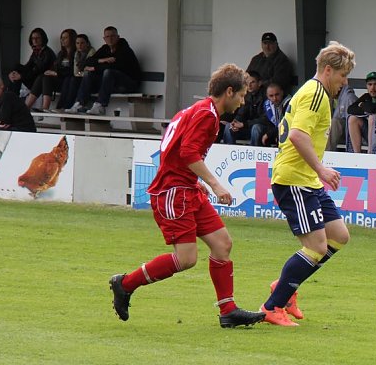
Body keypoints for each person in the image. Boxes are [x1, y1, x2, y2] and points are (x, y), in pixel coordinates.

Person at [108, 63, 264, 329]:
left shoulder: (199, 110)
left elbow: (173, 148)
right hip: (174, 193)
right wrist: (215, 184)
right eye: (241, 95)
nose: (242, 101)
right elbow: (188, 152)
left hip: (186, 188)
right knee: (186, 259)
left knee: (222, 243)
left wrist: (193, 180)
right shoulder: (207, 115)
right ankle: (125, 284)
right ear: (229, 91)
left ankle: (228, 311)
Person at [259, 41, 355, 327]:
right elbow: (297, 136)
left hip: (307, 180)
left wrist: (317, 173)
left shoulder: (316, 93)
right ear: (328, 70)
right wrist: (321, 169)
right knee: (315, 246)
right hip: (294, 180)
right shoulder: (315, 94)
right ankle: (272, 307)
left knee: (339, 236)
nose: (345, 82)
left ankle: (286, 288)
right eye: (343, 75)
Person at [66, 26, 141, 115]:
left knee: (108, 72)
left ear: (118, 37)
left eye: (113, 36)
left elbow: (115, 66)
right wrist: (102, 60)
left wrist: (95, 68)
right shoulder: (105, 48)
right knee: (88, 74)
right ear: (104, 39)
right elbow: (88, 61)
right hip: (111, 85)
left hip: (128, 84)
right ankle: (79, 104)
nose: (110, 39)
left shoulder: (125, 49)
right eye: (107, 37)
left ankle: (100, 105)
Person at [26, 28, 77, 112]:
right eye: (61, 38)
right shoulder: (61, 54)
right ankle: (26, 107)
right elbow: (55, 67)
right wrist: (51, 71)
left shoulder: (76, 53)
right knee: (42, 76)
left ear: (72, 39)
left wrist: (56, 73)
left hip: (67, 82)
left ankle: (45, 107)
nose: (62, 40)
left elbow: (73, 71)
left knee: (46, 78)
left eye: (65, 38)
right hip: (58, 80)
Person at [7, 27, 56, 98]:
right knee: (16, 67)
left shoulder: (47, 52)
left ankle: (13, 97)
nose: (35, 40)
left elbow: (38, 70)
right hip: (33, 77)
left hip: (41, 81)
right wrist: (12, 73)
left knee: (18, 75)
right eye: (33, 38)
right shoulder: (36, 51)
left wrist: (21, 76)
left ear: (43, 38)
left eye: (37, 38)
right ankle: (11, 95)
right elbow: (27, 66)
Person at [222, 70, 264, 144]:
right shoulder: (246, 95)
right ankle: (229, 151)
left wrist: (244, 124)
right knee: (229, 127)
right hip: (246, 127)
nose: (249, 85)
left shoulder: (267, 95)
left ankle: (253, 151)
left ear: (259, 83)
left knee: (256, 128)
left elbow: (265, 119)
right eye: (247, 83)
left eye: (252, 82)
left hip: (261, 129)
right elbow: (241, 114)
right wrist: (234, 123)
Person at [56, 33, 95, 111]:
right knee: (68, 79)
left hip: (90, 80)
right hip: (80, 77)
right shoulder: (77, 54)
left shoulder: (92, 53)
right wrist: (80, 73)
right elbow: (76, 72)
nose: (79, 45)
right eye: (77, 43)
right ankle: (60, 106)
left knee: (73, 79)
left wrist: (80, 73)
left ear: (87, 44)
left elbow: (89, 71)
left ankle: (67, 106)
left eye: (82, 43)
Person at [251, 82, 291, 147]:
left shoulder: (289, 103)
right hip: (274, 130)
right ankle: (256, 151)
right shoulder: (267, 104)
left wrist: (269, 134)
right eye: (271, 96)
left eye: (277, 94)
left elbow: (286, 124)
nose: (274, 98)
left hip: (287, 131)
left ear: (282, 92)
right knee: (256, 128)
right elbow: (266, 121)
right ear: (267, 96)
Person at [327, 82, 359, 151]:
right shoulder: (330, 99)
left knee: (335, 122)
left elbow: (352, 123)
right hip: (333, 135)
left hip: (349, 135)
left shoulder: (349, 98)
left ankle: (326, 153)